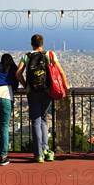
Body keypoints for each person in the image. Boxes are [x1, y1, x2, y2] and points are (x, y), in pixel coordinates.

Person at [16, 34, 69, 163]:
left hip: (32, 92)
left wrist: (26, 85)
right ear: (42, 44)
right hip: (46, 91)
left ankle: (38, 154)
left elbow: (18, 74)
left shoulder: (27, 56)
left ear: (31, 44)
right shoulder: (50, 54)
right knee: (44, 120)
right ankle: (45, 150)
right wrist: (65, 86)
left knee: (36, 121)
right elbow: (60, 72)